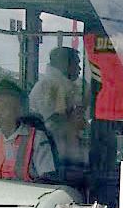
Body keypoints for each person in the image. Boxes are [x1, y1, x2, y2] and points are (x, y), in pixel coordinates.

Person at [0, 79, 57, 182]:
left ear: (18, 110)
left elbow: (47, 177)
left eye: (2, 107)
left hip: (23, 195)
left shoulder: (36, 137)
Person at [29, 47, 85, 179]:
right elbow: (52, 122)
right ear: (64, 64)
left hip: (63, 150)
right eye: (77, 64)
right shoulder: (49, 86)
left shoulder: (65, 86)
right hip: (51, 154)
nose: (80, 69)